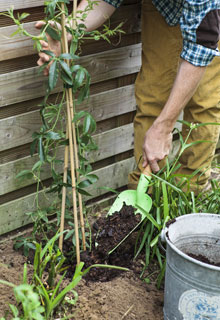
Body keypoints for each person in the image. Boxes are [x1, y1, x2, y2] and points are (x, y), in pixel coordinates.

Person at [36, 0, 220, 194]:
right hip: (163, 7)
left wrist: (165, 127)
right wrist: (68, 30)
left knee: (203, 101)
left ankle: (191, 189)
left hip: (210, 10)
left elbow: (200, 49)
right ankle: (146, 191)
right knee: (152, 95)